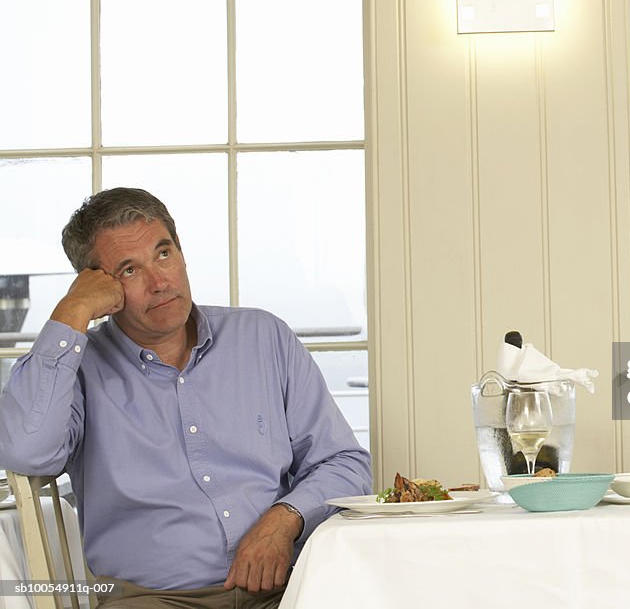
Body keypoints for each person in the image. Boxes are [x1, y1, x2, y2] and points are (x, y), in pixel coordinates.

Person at [0, 188, 372, 607]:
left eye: (163, 254)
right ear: (98, 286)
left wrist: (285, 519)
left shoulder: (264, 338)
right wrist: (70, 312)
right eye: (129, 270)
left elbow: (344, 461)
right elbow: (26, 452)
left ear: (180, 251)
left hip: (289, 588)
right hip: (152, 599)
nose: (160, 283)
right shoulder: (79, 371)